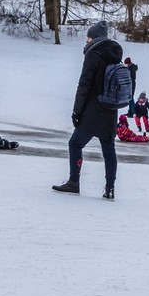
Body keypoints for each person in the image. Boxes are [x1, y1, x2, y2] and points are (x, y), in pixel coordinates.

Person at [52, 20, 123, 201]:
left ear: (94, 38)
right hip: (109, 110)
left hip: (92, 110)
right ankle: (110, 188)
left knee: (75, 144)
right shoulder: (114, 54)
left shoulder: (93, 54)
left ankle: (74, 183)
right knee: (109, 149)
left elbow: (84, 85)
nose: (86, 41)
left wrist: (77, 111)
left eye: (88, 37)